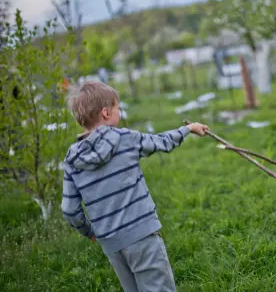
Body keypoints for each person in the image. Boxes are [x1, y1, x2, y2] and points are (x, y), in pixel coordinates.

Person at [61, 81, 209, 292]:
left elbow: (69, 209)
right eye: (117, 107)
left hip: (111, 244)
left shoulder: (71, 158)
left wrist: (89, 232)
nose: (118, 111)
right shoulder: (125, 138)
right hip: (142, 236)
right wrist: (187, 129)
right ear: (105, 113)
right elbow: (162, 142)